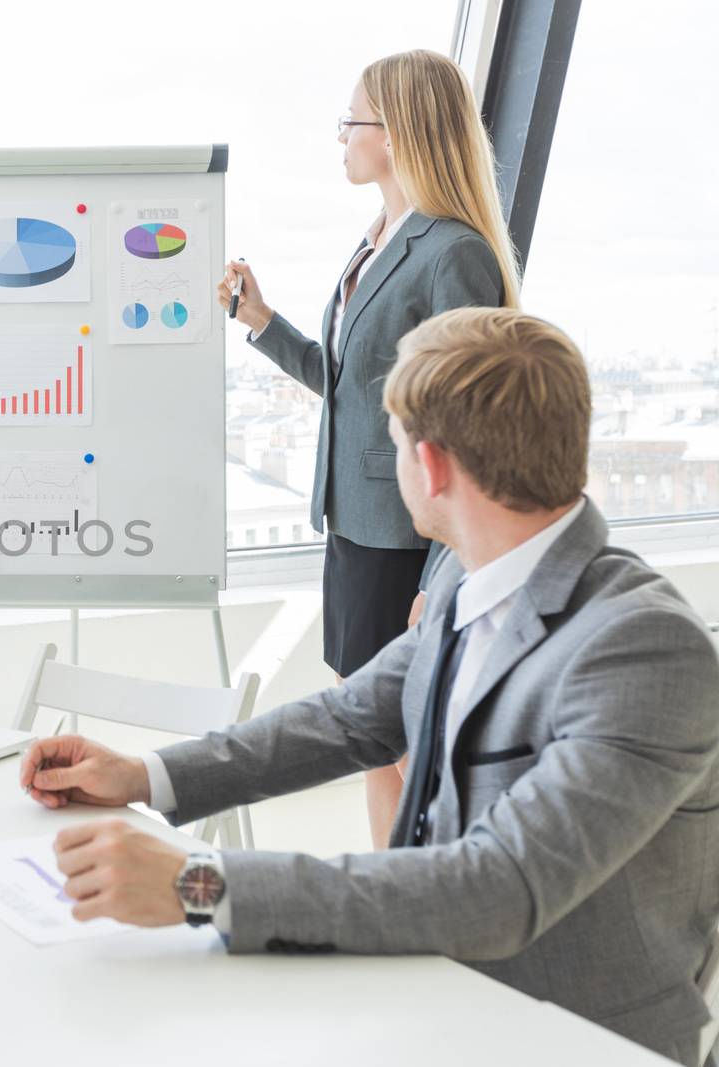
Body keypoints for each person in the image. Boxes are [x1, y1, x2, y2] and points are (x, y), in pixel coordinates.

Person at [18, 309, 719, 1065]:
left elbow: (497, 887)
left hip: (570, 1038)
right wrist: (144, 775)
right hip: (436, 995)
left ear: (434, 465)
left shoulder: (645, 649)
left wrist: (199, 885)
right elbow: (347, 718)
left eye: (390, 444)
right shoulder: (468, 576)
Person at [215, 49, 520, 848]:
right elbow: (357, 389)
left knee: (406, 741)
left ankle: (426, 893)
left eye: (351, 121)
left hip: (405, 544)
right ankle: (391, 887)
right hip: (355, 528)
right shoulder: (378, 239)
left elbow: (466, 428)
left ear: (397, 133)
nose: (341, 138)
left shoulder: (454, 253)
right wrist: (262, 321)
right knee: (374, 740)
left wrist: (441, 574)